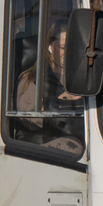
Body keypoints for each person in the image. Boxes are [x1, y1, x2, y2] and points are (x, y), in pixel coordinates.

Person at [14, 20, 85, 154]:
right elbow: (30, 120)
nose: (69, 52)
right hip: (47, 145)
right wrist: (60, 102)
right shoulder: (31, 79)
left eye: (73, 47)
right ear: (50, 47)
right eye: (63, 47)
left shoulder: (83, 78)